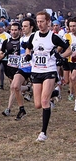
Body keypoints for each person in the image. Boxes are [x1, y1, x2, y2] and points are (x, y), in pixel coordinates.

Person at [24, 11, 72, 142]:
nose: (39, 24)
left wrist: (60, 57)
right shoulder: (33, 36)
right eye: (38, 21)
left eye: (42, 21)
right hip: (36, 71)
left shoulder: (53, 37)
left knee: (44, 101)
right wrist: (28, 54)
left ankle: (43, 133)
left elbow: (69, 49)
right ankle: (54, 93)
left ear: (48, 21)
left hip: (49, 71)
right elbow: (28, 48)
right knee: (38, 104)